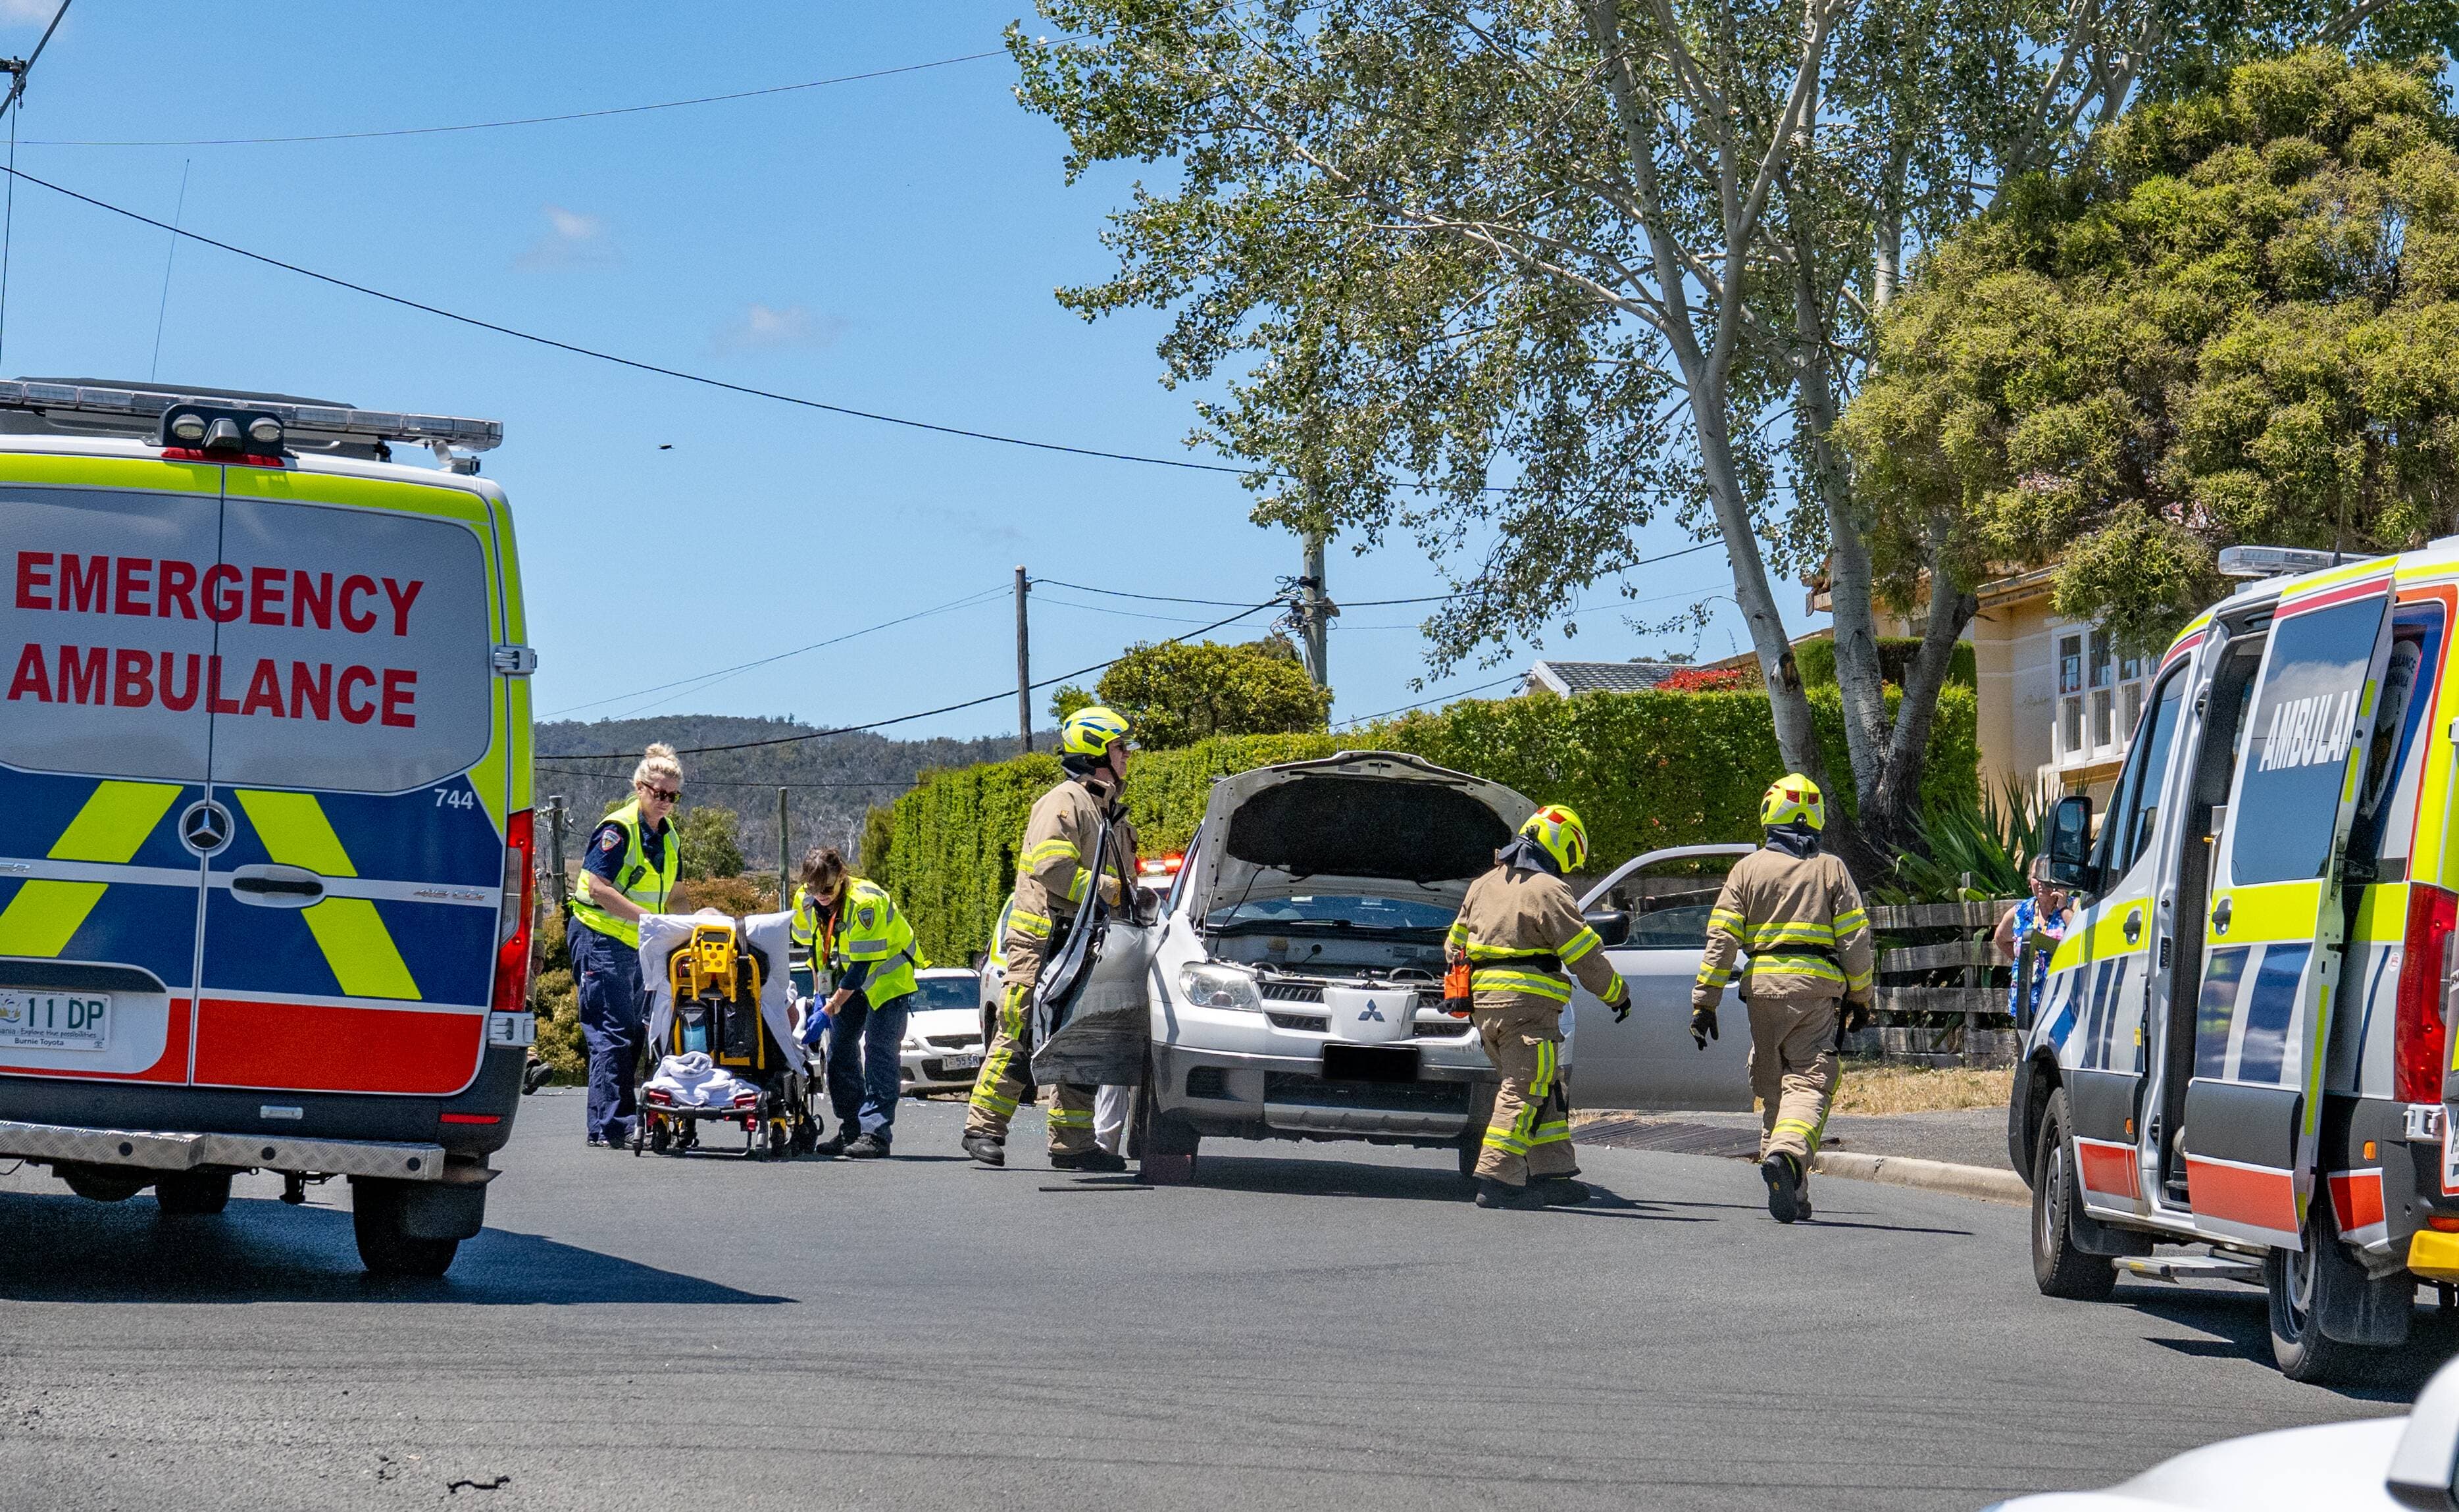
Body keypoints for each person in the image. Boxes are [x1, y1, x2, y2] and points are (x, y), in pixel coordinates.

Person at [1691, 773, 1874, 1223]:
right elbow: (1854, 938)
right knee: (1810, 1079)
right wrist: (1861, 995)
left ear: (1767, 814)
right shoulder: (1830, 868)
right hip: (1814, 991)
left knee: (1777, 1086)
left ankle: (1792, 1188)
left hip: (1761, 991)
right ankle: (1789, 1154)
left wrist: (1704, 1003)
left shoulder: (1746, 870)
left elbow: (1721, 939)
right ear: (1815, 817)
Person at [963, 704, 1138, 1172]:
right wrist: (1108, 890)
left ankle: (1072, 1144)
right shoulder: (1064, 802)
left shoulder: (1108, 810)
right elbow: (1053, 868)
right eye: (1121, 747)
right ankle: (982, 1128)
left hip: (1083, 943)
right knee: (1018, 1031)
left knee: (1080, 1039)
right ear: (1096, 750)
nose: (1127, 756)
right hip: (1041, 943)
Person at [1446, 804, 1630, 1210]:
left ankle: (1552, 1173)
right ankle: (1497, 1180)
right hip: (1527, 1010)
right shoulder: (1547, 889)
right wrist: (1617, 993)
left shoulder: (1483, 884)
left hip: (1484, 1010)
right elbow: (1584, 953)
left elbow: (1453, 944)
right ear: (1561, 845)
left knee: (1547, 1086)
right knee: (1524, 1089)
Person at [566, 743, 684, 1147]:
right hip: (600, 936)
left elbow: (677, 895)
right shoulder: (618, 830)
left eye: (672, 796)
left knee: (632, 1032)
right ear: (639, 787)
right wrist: (649, 920)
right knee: (611, 1033)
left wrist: (693, 923)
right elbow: (598, 888)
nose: (665, 802)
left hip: (638, 943)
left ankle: (608, 1125)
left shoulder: (669, 838)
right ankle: (613, 1125)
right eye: (658, 793)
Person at [794, 847, 924, 1159]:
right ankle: (852, 1128)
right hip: (845, 983)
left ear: (842, 877)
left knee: (879, 1052)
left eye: (827, 889)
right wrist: (819, 994)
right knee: (839, 1052)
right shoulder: (805, 900)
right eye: (814, 889)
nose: (821, 896)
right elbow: (815, 951)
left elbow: (861, 968)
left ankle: (876, 1134)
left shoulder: (866, 903)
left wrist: (829, 1008)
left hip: (886, 981)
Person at [1994, 857, 2070, 1019]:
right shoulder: (2020, 912)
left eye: (2047, 875)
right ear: (2030, 881)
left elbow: (2081, 937)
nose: (2042, 882)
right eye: (2037, 876)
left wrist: (2063, 908)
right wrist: (2024, 963)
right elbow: (2000, 939)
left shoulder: (2073, 907)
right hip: (2025, 1002)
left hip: (2061, 1001)